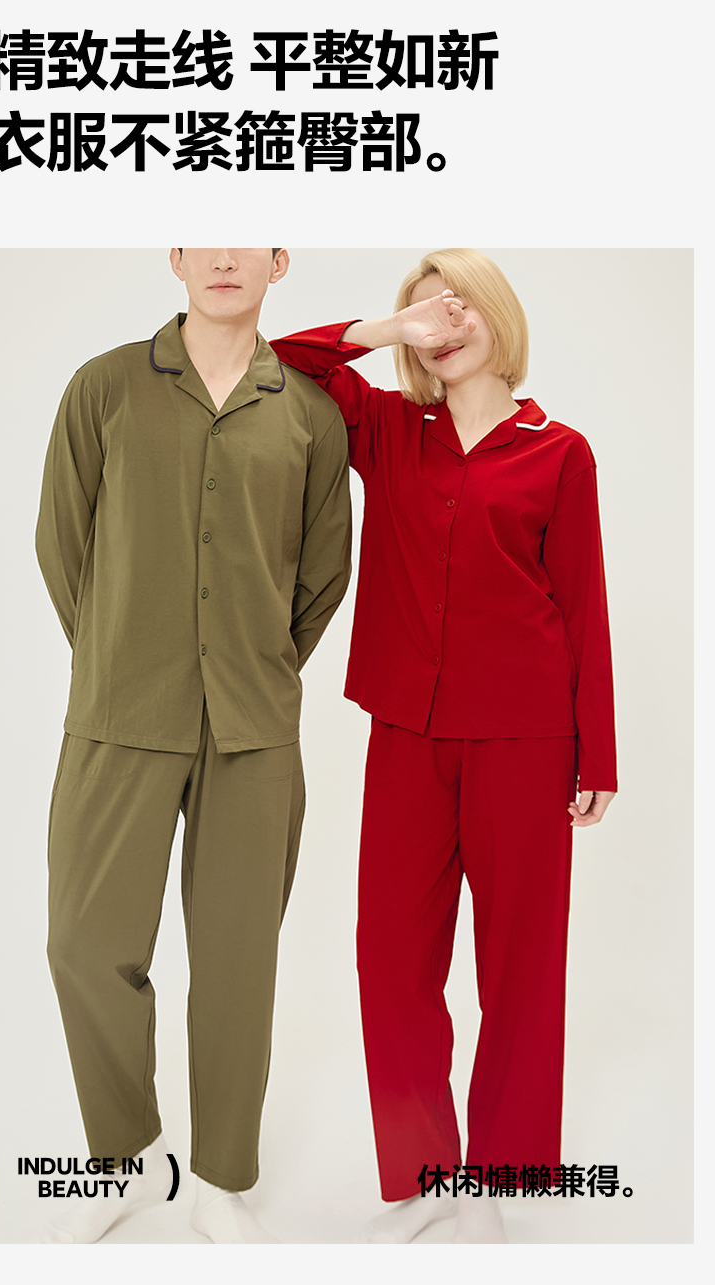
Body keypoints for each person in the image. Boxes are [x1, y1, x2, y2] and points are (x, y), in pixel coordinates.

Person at [270, 248, 617, 1244]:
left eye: (461, 306)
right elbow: (285, 361)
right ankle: (428, 1173)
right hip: (407, 734)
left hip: (526, 738)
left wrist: (597, 752)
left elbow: (582, 604)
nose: (445, 325)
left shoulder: (560, 452)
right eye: (428, 312)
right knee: (390, 960)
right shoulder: (388, 430)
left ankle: (501, 1177)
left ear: (501, 315)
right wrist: (389, 332)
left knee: (519, 967)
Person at [35, 247, 352, 1244]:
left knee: (236, 962)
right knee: (85, 943)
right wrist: (121, 648)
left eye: (247, 236)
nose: (223, 254)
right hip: (120, 711)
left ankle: (220, 1179)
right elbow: (61, 542)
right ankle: (125, 1158)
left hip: (253, 727)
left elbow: (322, 573)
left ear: (278, 260)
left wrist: (254, 661)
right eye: (202, 235)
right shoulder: (103, 388)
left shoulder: (309, 415)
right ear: (174, 255)